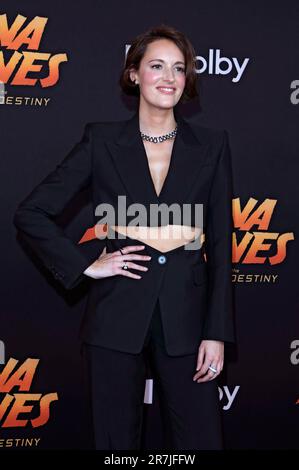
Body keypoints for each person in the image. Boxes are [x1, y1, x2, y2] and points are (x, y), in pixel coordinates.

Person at [13, 24, 235, 450]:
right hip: (115, 316)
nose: (169, 77)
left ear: (188, 79)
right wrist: (86, 264)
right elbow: (31, 212)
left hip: (190, 323)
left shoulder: (212, 145)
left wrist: (217, 331)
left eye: (179, 68)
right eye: (156, 66)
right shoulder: (101, 141)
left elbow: (223, 244)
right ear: (134, 74)